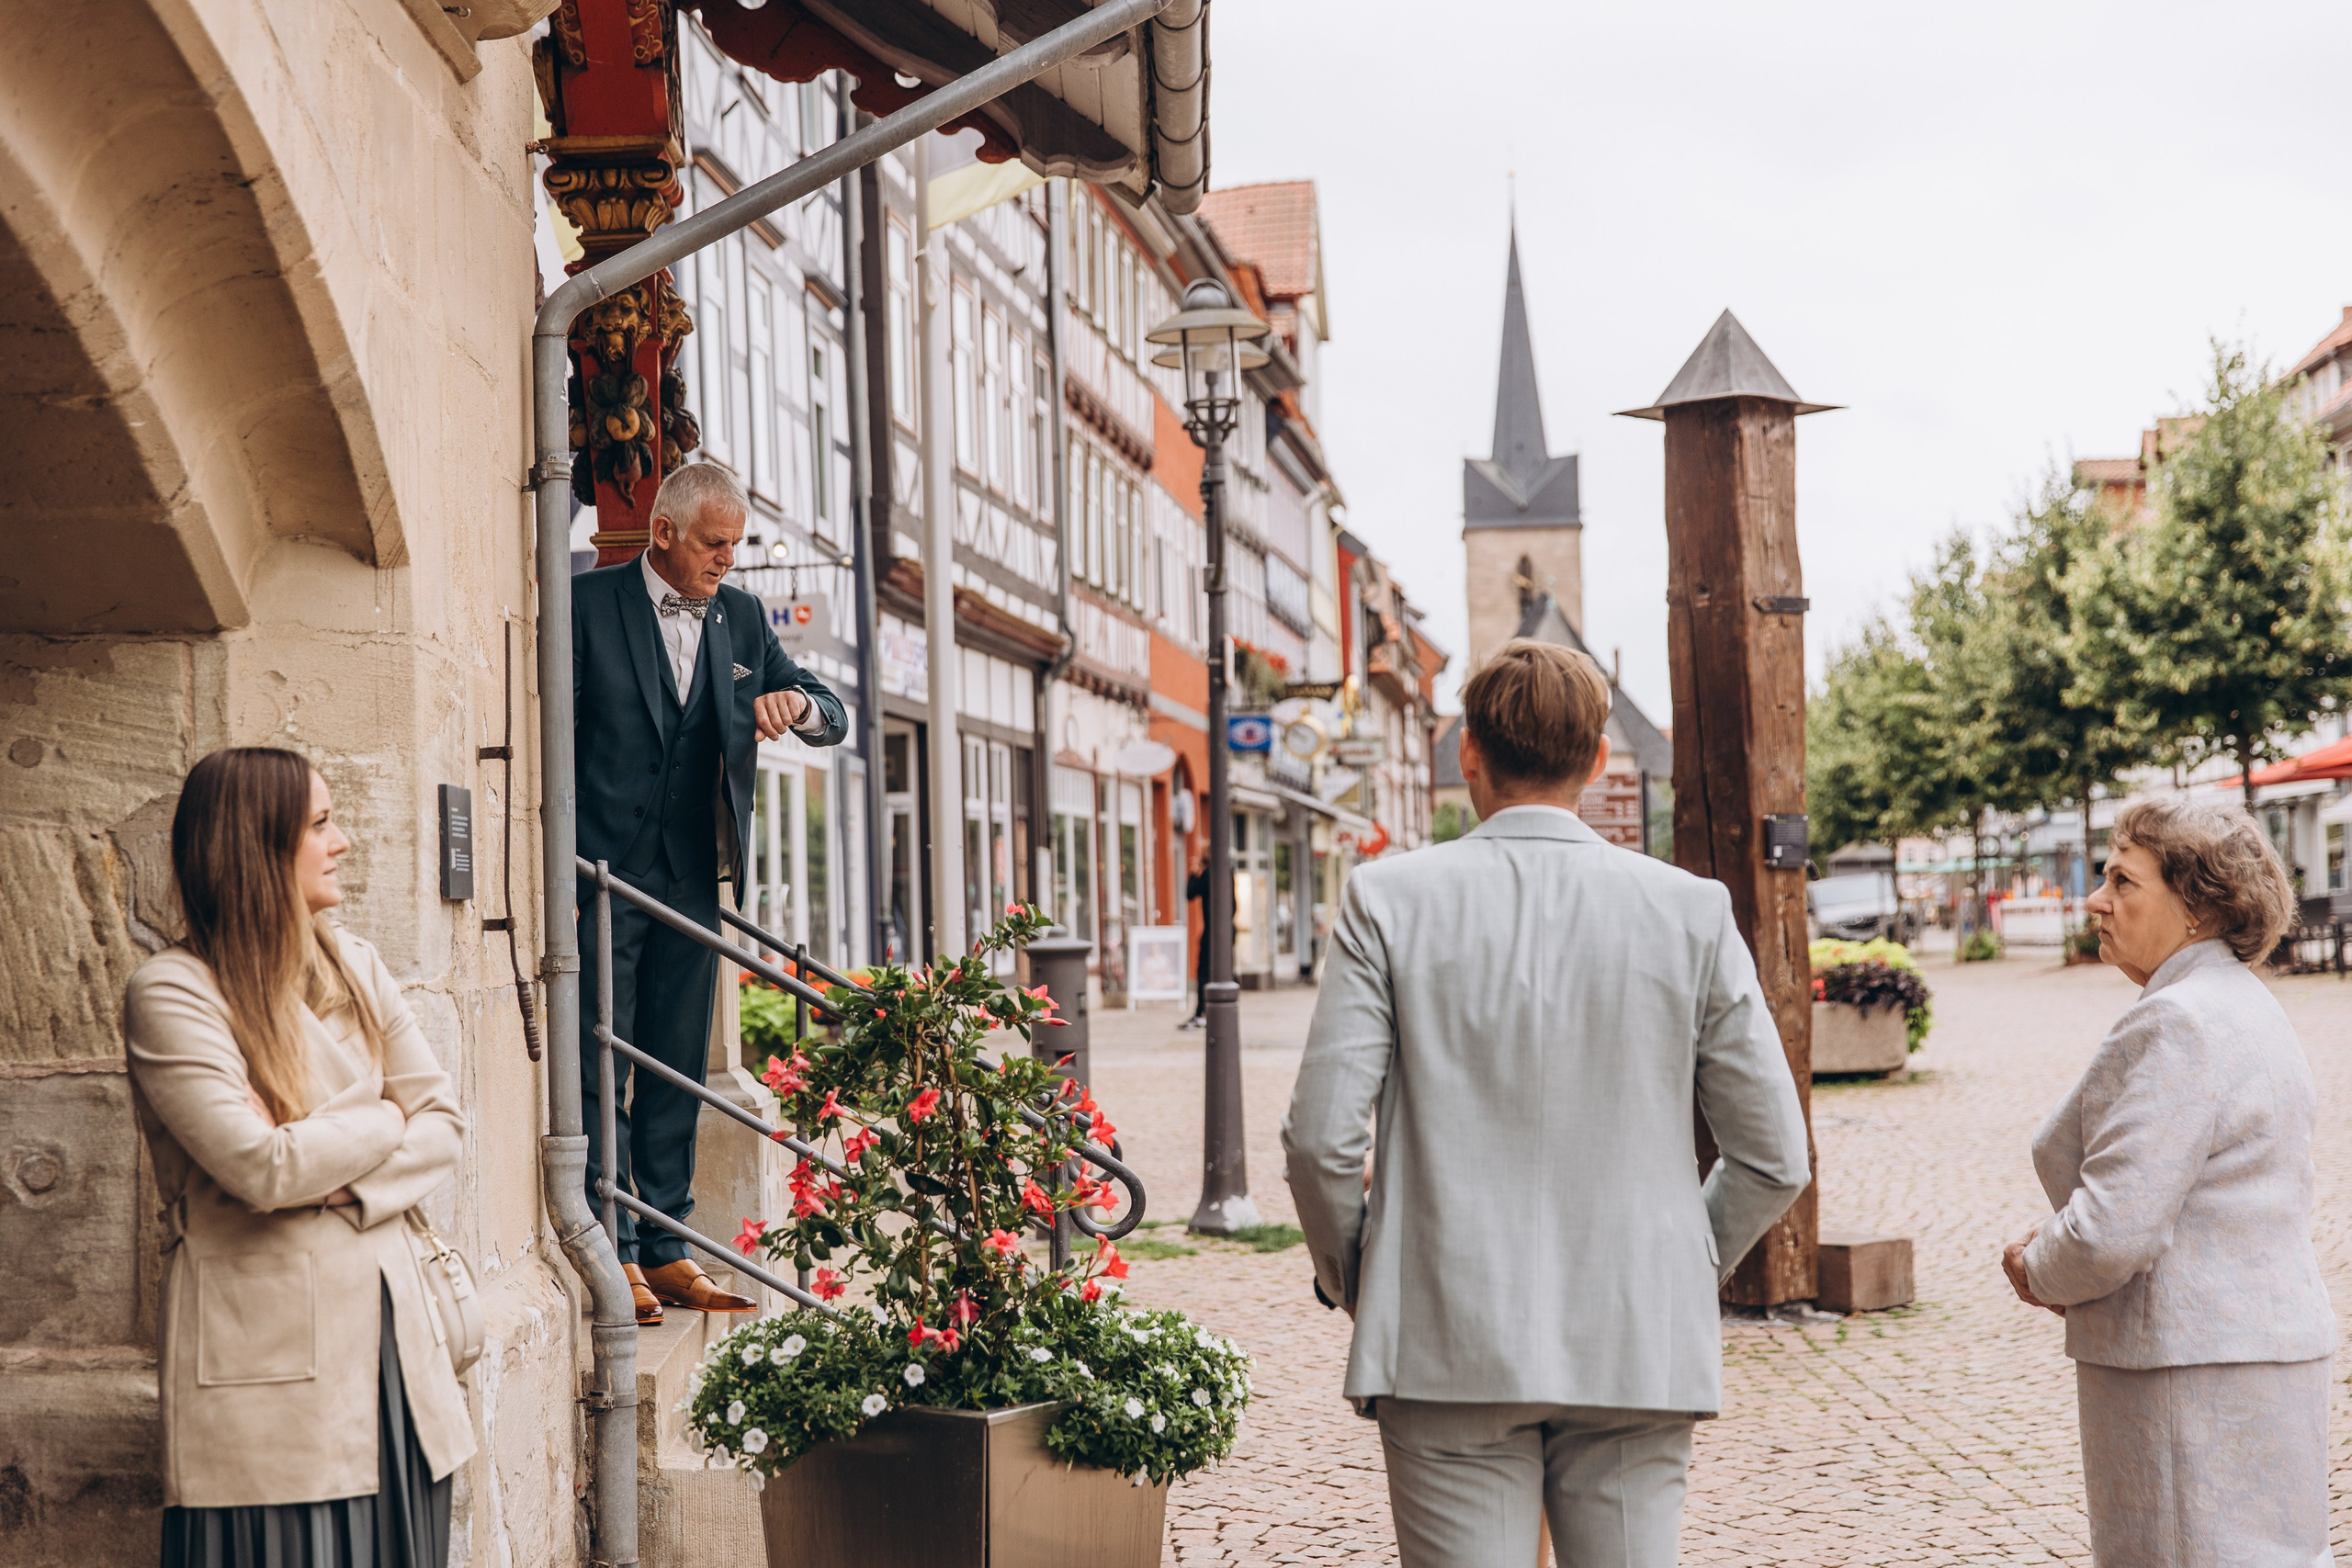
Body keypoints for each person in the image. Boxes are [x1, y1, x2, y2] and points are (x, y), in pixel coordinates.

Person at [1282, 638, 1811, 1568]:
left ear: (1468, 756)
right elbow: (1773, 1156)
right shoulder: (1689, 910)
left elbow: (1321, 1140)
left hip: (1444, 1333)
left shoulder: (1387, 900)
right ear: (1598, 760)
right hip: (1634, 1332)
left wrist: (1358, 1275)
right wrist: (1684, 1262)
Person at [125, 748, 473, 1568]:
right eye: (319, 824)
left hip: (399, 1367)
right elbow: (261, 1167)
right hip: (270, 1376)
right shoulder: (174, 992)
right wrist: (387, 1114)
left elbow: (445, 1122)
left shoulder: (355, 965)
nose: (343, 840)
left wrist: (330, 1158)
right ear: (255, 846)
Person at [2001, 795, 2331, 1566]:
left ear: (2194, 904)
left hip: (2187, 1369)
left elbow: (2114, 1226)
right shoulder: (2248, 1004)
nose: (2096, 899)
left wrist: (2034, 1266)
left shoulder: (2179, 1019)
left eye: (2122, 880)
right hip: (2258, 1351)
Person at [572, 461, 847, 1325]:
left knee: (678, 1064)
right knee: (600, 1056)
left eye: (735, 544)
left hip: (694, 877)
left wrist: (793, 708)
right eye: (714, 543)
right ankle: (610, 1245)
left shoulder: (740, 617)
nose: (728, 559)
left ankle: (669, 1245)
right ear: (663, 534)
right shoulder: (583, 606)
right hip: (600, 875)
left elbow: (831, 712)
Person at [1182, 850, 1209, 1029]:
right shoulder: (1226, 872)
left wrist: (1193, 872)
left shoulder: (1208, 875)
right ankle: (1204, 1011)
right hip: (1224, 932)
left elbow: (1190, 893)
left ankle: (1201, 1013)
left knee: (1204, 972)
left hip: (1211, 934)